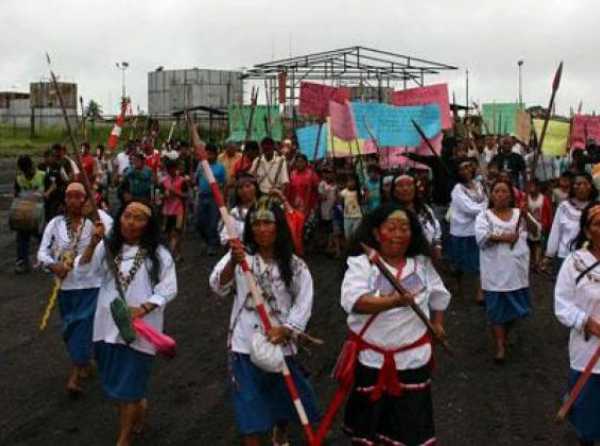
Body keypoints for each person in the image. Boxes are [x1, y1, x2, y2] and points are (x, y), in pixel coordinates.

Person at [209, 196, 320, 446]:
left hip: (281, 342)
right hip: (244, 343)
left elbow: (304, 300)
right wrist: (233, 262)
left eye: (267, 223)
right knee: (250, 409)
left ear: (278, 227)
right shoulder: (239, 255)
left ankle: (280, 431)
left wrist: (288, 329)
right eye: (256, 223)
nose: (262, 229)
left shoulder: (294, 264)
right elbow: (217, 286)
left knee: (285, 398)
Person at [339, 204, 450, 445]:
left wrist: (438, 324)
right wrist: (393, 302)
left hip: (412, 361)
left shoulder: (421, 263)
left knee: (410, 430)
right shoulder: (361, 264)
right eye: (391, 228)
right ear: (377, 233)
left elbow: (439, 295)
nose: (398, 234)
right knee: (372, 431)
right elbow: (355, 301)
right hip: (372, 361)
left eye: (404, 228)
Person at [76, 200, 176, 446]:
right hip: (106, 327)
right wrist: (92, 242)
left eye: (139, 218)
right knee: (117, 387)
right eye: (127, 216)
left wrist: (143, 308)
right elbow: (83, 272)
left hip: (141, 330)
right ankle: (136, 410)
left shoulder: (159, 254)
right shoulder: (108, 248)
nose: (131, 222)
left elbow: (169, 288)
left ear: (148, 224)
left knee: (129, 386)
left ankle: (124, 438)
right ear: (119, 218)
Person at [37, 182, 101, 395]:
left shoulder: (94, 224)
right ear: (65, 200)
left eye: (78, 196)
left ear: (85, 200)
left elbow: (102, 253)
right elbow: (41, 253)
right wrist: (53, 265)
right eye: (70, 196)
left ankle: (74, 377)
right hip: (66, 287)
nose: (74, 200)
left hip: (91, 284)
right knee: (69, 330)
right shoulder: (55, 224)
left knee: (81, 327)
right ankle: (85, 361)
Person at [475, 180, 537, 363]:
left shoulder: (520, 214)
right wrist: (504, 237)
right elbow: (481, 238)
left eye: (504, 191)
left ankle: (505, 333)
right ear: (491, 195)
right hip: (494, 272)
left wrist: (526, 216)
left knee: (515, 312)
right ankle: (500, 346)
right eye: (497, 191)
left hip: (516, 272)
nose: (501, 194)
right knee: (496, 312)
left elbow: (536, 232)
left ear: (511, 195)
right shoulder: (484, 216)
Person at [554, 202, 600, 446]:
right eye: (597, 224)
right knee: (588, 417)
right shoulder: (575, 262)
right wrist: (588, 323)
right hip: (588, 351)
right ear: (586, 230)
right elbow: (562, 305)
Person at [449, 158, 488, 304]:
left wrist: (484, 205)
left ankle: (479, 291)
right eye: (462, 168)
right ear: (458, 172)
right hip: (461, 231)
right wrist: (485, 208)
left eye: (468, 167)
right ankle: (458, 288)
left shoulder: (478, 185)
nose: (466, 170)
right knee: (459, 264)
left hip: (476, 230)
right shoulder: (457, 189)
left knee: (478, 262)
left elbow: (485, 199)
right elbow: (469, 208)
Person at [545, 173, 598, 273]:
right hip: (565, 256)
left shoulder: (596, 207)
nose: (581, 187)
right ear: (572, 187)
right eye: (578, 184)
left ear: (591, 186)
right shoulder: (564, 207)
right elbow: (556, 231)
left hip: (589, 257)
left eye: (585, 184)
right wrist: (549, 254)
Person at [391, 172, 443, 261]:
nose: (405, 189)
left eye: (409, 185)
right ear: (394, 191)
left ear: (415, 188)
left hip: (430, 259)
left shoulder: (425, 209)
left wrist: (437, 246)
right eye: (400, 186)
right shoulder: (391, 213)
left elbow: (436, 228)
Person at [13, 155, 46, 273]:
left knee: (43, 237)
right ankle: (22, 262)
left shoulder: (42, 175)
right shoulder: (19, 179)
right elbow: (16, 195)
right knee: (22, 237)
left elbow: (52, 188)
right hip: (26, 213)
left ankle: (46, 261)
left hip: (40, 212)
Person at [195, 143, 226, 256]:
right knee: (199, 222)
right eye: (207, 153)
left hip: (214, 198)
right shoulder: (201, 165)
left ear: (216, 155)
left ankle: (212, 245)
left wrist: (222, 197)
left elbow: (223, 183)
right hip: (202, 196)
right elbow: (196, 178)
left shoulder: (220, 167)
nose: (209, 155)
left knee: (213, 222)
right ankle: (208, 240)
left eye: (211, 153)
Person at [219, 172, 259, 247]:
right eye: (240, 188)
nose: (244, 190)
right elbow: (225, 236)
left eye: (248, 186)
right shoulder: (235, 212)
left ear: (255, 188)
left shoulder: (264, 208)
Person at [160, 159, 188, 261]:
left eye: (173, 168)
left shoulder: (182, 180)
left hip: (178, 211)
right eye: (169, 169)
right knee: (168, 234)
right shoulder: (163, 181)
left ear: (176, 169)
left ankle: (172, 254)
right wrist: (164, 195)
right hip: (167, 211)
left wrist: (175, 192)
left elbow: (186, 195)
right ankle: (176, 253)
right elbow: (157, 196)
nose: (171, 171)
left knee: (176, 233)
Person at [526, 178, 553, 271]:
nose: (531, 188)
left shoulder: (544, 198)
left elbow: (548, 212)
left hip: (540, 225)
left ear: (538, 187)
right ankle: (531, 262)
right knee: (529, 244)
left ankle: (537, 263)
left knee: (538, 244)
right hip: (528, 224)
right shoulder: (526, 197)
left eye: (533, 186)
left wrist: (548, 225)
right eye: (530, 186)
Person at [318, 166, 340, 257]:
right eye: (326, 172)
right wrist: (327, 190)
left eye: (329, 172)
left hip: (334, 211)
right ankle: (329, 247)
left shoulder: (335, 185)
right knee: (328, 231)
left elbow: (338, 198)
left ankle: (336, 250)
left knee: (334, 231)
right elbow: (322, 198)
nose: (328, 174)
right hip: (324, 211)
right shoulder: (321, 184)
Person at [340, 173, 363, 242]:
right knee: (347, 235)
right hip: (347, 217)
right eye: (349, 181)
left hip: (357, 216)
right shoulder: (344, 192)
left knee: (355, 234)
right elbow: (341, 202)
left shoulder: (360, 191)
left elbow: (363, 201)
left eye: (352, 181)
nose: (351, 183)